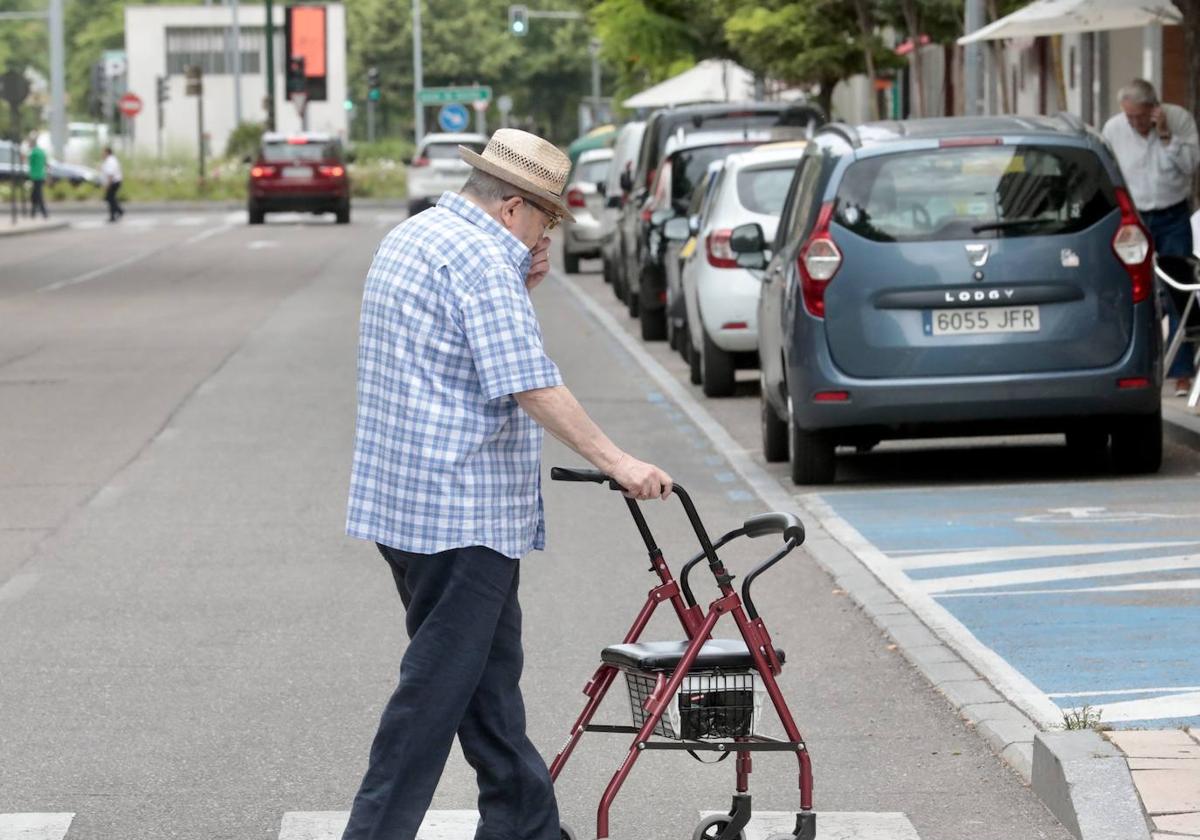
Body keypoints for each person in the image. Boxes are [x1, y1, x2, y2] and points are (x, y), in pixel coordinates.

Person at [341, 128, 673, 840]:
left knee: (486, 681)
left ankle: (527, 827)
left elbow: (452, 349)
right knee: (433, 693)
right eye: (547, 217)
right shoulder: (485, 259)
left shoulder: (420, 236)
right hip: (462, 510)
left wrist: (520, 286)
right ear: (514, 207)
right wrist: (618, 461)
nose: (546, 231)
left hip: (407, 506)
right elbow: (527, 380)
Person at [1103, 79, 1200, 395]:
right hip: (1136, 217)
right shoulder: (1115, 129)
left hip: (1172, 214)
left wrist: (1166, 136)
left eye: (1140, 117)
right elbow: (1109, 171)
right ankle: (1136, 364)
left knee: (1177, 292)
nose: (1134, 123)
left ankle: (1182, 372)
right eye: (1129, 117)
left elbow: (1190, 166)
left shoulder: (1179, 119)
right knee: (1135, 290)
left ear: (1154, 109)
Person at [27, 135, 48, 220]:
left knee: (38, 195)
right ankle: (33, 213)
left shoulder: (34, 153)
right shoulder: (41, 151)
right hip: (41, 175)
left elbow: (29, 161)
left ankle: (44, 213)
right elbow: (45, 162)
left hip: (35, 176)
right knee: (34, 195)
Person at [100, 146, 123, 222]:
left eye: (103, 152)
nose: (102, 154)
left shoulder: (110, 161)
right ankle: (118, 211)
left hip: (113, 182)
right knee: (111, 199)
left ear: (107, 152)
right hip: (114, 182)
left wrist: (108, 185)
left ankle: (114, 215)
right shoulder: (110, 160)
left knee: (110, 198)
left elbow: (110, 174)